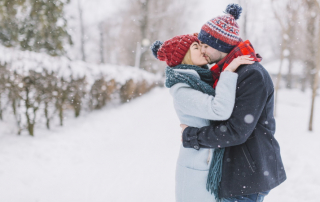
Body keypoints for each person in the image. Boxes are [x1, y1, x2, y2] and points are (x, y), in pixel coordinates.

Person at [180, 4, 286, 202]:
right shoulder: (227, 73)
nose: (202, 50)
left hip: (247, 174)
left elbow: (237, 131)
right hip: (237, 173)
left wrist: (192, 135)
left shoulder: (251, 74)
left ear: (220, 45)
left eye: (205, 45)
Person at [150, 33, 254, 202]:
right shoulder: (182, 89)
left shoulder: (202, 80)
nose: (203, 50)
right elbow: (220, 110)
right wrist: (228, 71)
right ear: (184, 56)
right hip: (197, 165)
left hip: (209, 160)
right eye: (196, 47)